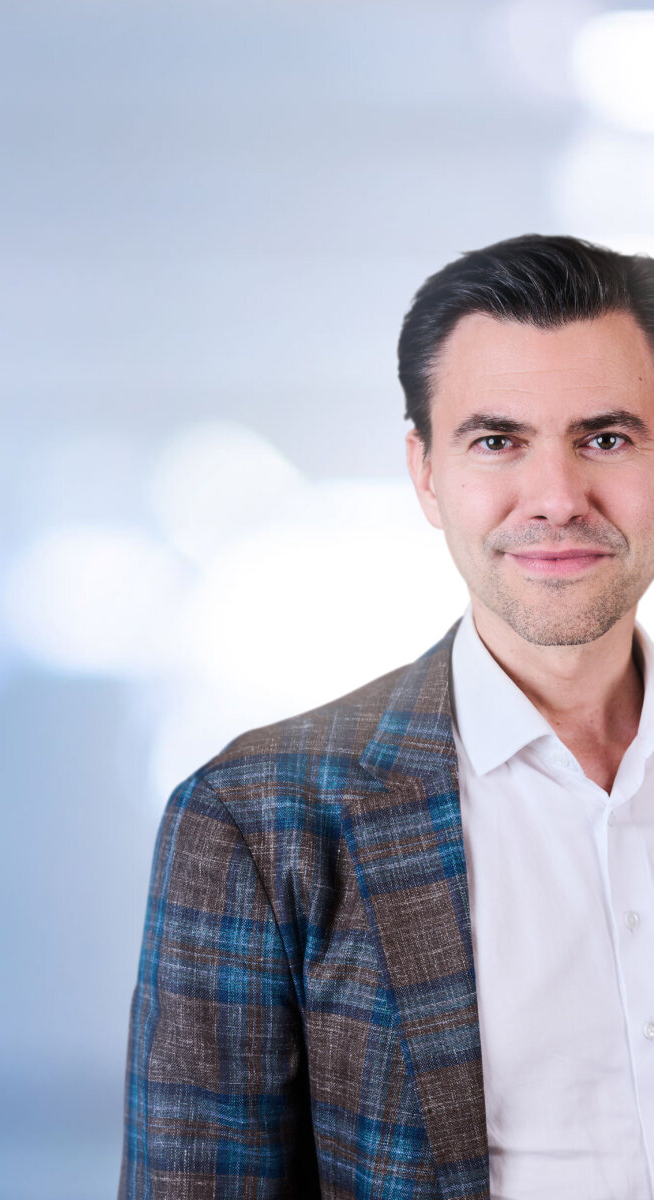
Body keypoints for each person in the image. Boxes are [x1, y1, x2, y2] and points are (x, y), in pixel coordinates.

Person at [119, 235, 654, 1199]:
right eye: (497, 442)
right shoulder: (259, 822)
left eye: (606, 439)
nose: (556, 498)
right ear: (426, 473)